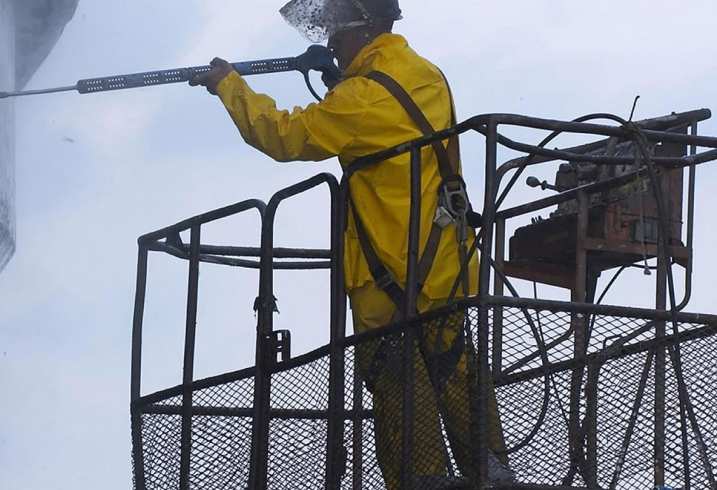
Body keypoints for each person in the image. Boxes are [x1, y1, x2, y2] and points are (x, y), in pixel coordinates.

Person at [189, 0, 511, 487]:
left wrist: (228, 86)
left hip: (387, 272)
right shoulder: (425, 75)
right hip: (446, 264)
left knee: (397, 377)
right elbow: (383, 122)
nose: (331, 40)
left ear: (365, 29)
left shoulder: (360, 97)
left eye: (338, 29)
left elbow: (285, 136)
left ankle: (422, 481)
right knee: (454, 369)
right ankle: (493, 472)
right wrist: (340, 85)